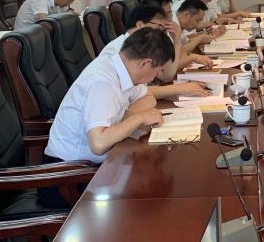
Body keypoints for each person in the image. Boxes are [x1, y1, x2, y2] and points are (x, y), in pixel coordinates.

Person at [40, 28, 173, 207]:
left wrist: (127, 118)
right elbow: (99, 144)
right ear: (145, 63)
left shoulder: (121, 69)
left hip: (93, 167)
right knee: (144, 197)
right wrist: (138, 118)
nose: (155, 77)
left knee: (146, 175)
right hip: (67, 178)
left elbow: (147, 97)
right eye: (157, 71)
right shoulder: (103, 82)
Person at [100, 5, 213, 90]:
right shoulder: (119, 50)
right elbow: (164, 78)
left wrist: (176, 41)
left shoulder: (143, 44)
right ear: (140, 25)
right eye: (159, 27)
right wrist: (180, 88)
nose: (162, 33)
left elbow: (167, 75)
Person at [14, 0, 81, 29]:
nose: (68, 4)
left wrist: (73, 15)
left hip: (37, 34)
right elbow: (46, 24)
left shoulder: (58, 3)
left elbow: (65, 16)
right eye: (69, 1)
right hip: (23, 37)